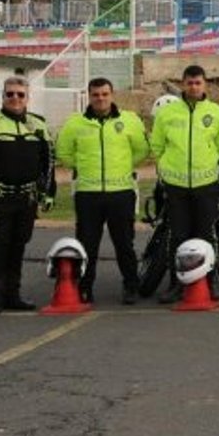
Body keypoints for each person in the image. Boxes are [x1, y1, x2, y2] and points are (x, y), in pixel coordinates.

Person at [0, 76, 56, 318]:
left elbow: (49, 161)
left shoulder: (38, 125)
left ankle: (13, 296)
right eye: (10, 94)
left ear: (28, 97)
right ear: (3, 96)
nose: (15, 98)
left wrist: (48, 192)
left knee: (18, 247)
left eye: (20, 94)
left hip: (26, 199)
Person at [55, 77, 149, 305]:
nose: (100, 98)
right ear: (89, 96)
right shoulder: (74, 123)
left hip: (121, 192)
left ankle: (130, 286)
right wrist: (83, 168)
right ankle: (85, 288)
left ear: (112, 94)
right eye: (96, 94)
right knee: (87, 245)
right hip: (88, 194)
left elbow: (141, 150)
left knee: (125, 244)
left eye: (105, 94)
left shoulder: (130, 120)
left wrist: (124, 167)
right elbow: (64, 153)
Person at [149, 65, 219, 303]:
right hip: (176, 186)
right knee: (177, 235)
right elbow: (157, 146)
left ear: (205, 85)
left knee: (207, 234)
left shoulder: (217, 113)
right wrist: (165, 168)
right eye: (189, 83)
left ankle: (210, 283)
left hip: (206, 185)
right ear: (183, 84)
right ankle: (176, 284)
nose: (194, 87)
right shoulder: (167, 113)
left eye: (198, 83)